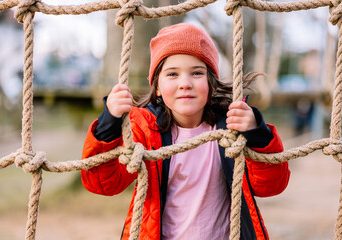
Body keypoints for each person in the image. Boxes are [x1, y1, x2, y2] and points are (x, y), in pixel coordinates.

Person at [81, 23, 290, 240]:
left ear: (211, 83)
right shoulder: (145, 132)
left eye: (197, 73)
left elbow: (272, 185)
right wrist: (109, 123)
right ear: (158, 86)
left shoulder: (230, 129)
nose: (185, 83)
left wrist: (257, 132)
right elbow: (102, 183)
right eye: (172, 74)